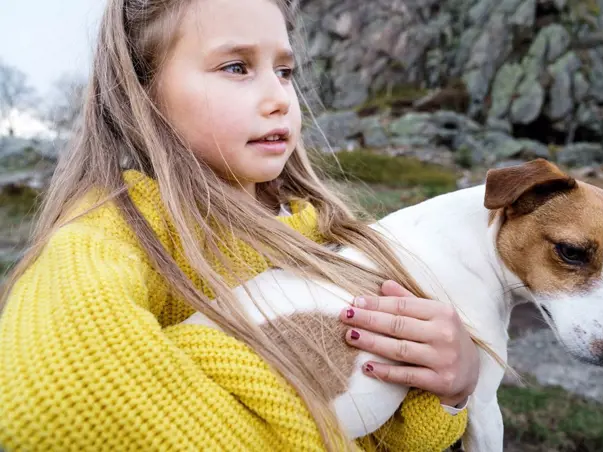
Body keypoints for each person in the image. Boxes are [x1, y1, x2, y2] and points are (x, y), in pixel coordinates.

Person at [0, 0, 480, 450]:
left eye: (284, 70)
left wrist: (449, 389)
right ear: (141, 95)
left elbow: (387, 428)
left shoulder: (331, 234)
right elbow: (51, 401)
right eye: (236, 67)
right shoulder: (115, 233)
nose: (279, 99)